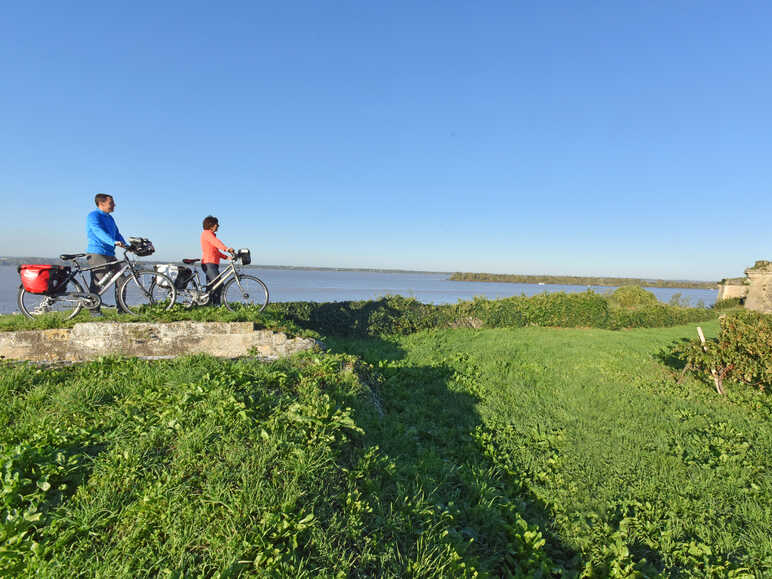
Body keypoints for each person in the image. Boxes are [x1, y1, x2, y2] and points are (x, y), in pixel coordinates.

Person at [86, 194, 126, 311]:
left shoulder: (110, 218)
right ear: (101, 204)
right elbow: (98, 231)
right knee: (98, 282)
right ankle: (94, 310)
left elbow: (117, 234)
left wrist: (127, 245)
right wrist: (113, 242)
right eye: (111, 203)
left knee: (121, 279)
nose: (114, 205)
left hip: (110, 254)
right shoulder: (93, 216)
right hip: (97, 252)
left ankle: (122, 308)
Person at [200, 215, 234, 306]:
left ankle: (206, 305)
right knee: (218, 285)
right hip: (208, 263)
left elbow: (215, 251)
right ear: (211, 225)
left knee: (211, 286)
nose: (218, 226)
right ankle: (216, 305)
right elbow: (216, 242)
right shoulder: (207, 233)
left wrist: (226, 257)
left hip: (212, 264)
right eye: (216, 224)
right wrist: (226, 249)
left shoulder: (210, 235)